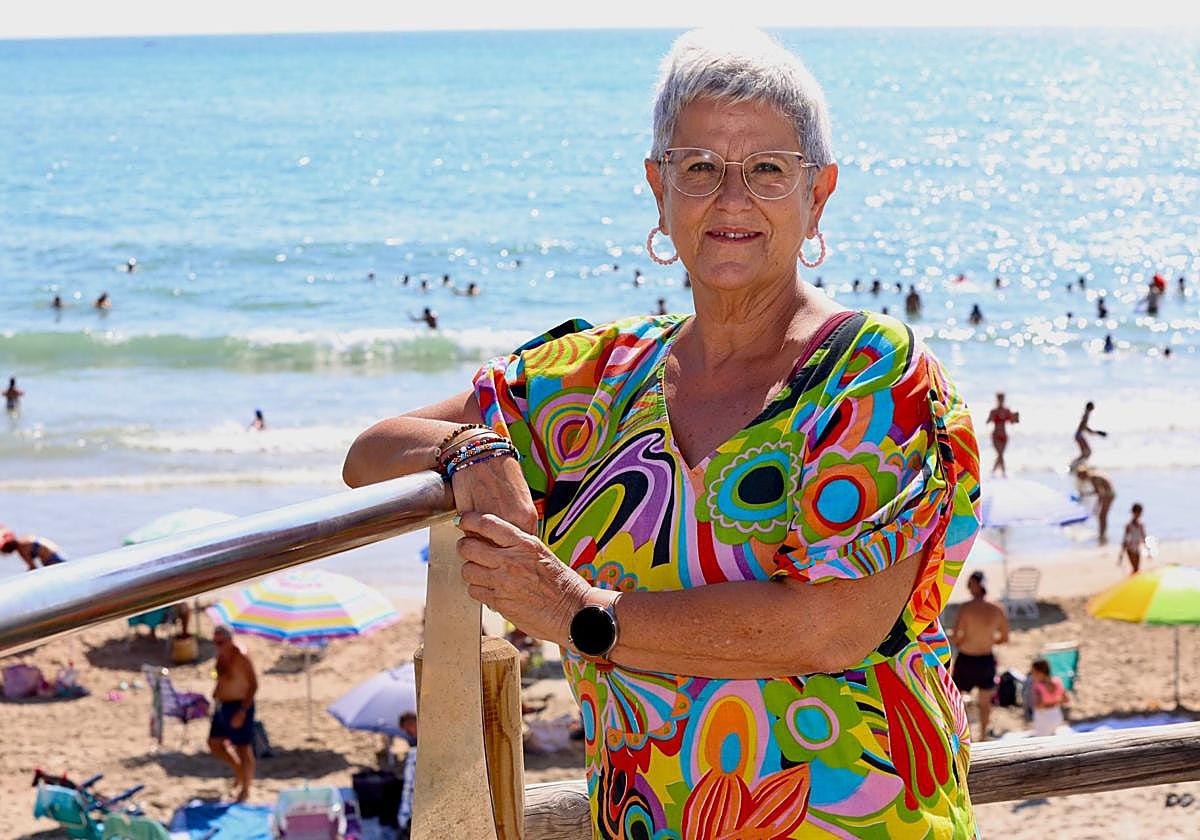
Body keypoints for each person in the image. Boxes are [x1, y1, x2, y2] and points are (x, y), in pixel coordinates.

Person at [343, 28, 982, 837]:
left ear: (818, 193)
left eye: (768, 170)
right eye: (701, 168)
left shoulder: (869, 373)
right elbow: (368, 456)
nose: (732, 199)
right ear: (659, 187)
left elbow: (829, 627)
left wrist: (576, 610)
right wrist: (471, 447)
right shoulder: (593, 380)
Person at [951, 571, 1009, 742]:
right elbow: (1004, 638)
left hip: (967, 657)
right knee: (985, 703)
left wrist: (964, 642)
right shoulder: (997, 609)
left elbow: (956, 635)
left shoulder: (966, 608)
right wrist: (988, 641)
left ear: (976, 585)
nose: (967, 587)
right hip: (986, 659)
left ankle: (964, 736)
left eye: (969, 583)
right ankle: (983, 735)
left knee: (957, 699)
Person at [208, 625, 258, 802]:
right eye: (215, 642)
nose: (217, 645)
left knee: (243, 747)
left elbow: (253, 685)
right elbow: (222, 678)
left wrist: (243, 711)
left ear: (230, 640)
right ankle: (238, 771)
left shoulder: (241, 656)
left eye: (220, 642)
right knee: (214, 743)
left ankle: (246, 788)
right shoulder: (222, 656)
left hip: (240, 705)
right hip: (223, 704)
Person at [1075, 466, 1116, 544]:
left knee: (1102, 516)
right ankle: (1102, 534)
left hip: (1108, 494)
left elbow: (1099, 492)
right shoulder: (1093, 475)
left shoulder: (1093, 478)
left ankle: (1102, 535)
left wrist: (1086, 495)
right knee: (1102, 516)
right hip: (1108, 493)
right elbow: (1099, 492)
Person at [1028, 658, 1066, 737]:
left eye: (1033, 671)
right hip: (1056, 714)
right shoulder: (1057, 681)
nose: (1031, 674)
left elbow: (1038, 705)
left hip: (1043, 717)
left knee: (1041, 740)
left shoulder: (1037, 686)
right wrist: (1054, 701)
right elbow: (1065, 699)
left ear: (1039, 672)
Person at [1, 527, 67, 569]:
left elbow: (33, 567)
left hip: (51, 559)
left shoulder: (21, 550)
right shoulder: (25, 537)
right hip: (58, 552)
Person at [986, 392, 1019, 475]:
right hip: (996, 435)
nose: (1001, 401)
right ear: (997, 400)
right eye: (999, 399)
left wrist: (1015, 417)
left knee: (1000, 454)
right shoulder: (993, 411)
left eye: (1002, 399)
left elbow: (1013, 422)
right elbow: (987, 421)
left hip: (1004, 435)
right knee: (1000, 454)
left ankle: (994, 472)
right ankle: (1002, 473)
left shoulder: (1007, 411)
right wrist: (991, 418)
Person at [1071, 401, 1107, 470]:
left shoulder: (1086, 414)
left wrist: (1097, 432)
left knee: (1086, 452)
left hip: (1079, 435)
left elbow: (1085, 428)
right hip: (1079, 435)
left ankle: (1077, 465)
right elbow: (1085, 428)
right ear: (1090, 407)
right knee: (1087, 452)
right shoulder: (1086, 415)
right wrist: (1098, 432)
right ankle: (1074, 465)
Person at [1121, 502, 1147, 574]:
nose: (1139, 514)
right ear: (1133, 512)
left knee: (1136, 569)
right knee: (1135, 568)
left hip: (1137, 548)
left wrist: (1148, 549)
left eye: (1140, 512)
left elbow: (1144, 537)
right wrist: (1121, 554)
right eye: (1138, 512)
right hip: (1130, 549)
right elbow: (1125, 539)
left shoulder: (1141, 525)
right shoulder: (1129, 525)